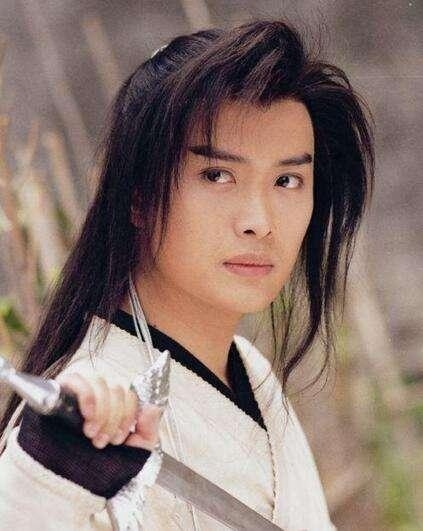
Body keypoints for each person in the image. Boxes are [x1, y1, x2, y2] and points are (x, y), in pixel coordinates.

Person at [0, 17, 374, 530]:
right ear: (138, 195)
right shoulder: (83, 424)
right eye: (217, 175)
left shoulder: (253, 372)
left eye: (287, 180)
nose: (260, 222)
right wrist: (46, 477)